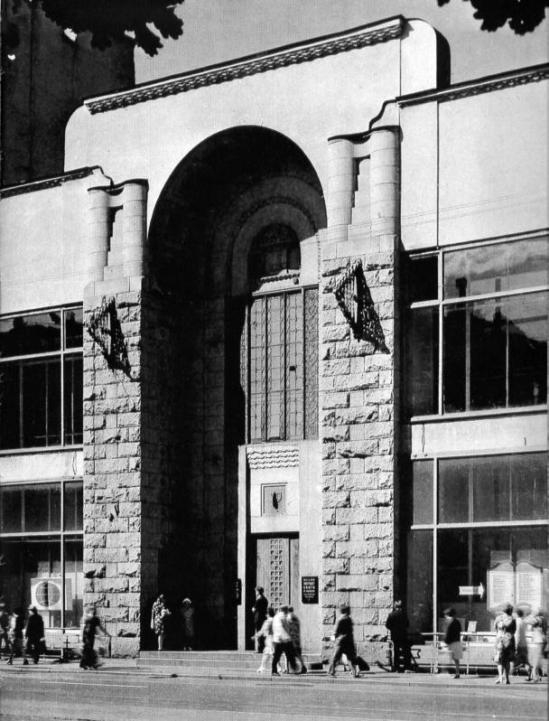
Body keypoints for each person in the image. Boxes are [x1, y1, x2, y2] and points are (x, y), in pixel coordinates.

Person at [328, 603, 359, 678]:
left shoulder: (340, 619)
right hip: (348, 641)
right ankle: (354, 672)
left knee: (336, 657)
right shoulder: (349, 619)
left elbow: (336, 631)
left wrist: (332, 638)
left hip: (341, 641)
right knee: (350, 657)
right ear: (346, 611)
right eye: (349, 610)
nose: (350, 611)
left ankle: (331, 671)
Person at [271, 605, 297, 676]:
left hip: (279, 639)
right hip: (281, 640)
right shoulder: (281, 617)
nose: (287, 611)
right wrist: (287, 637)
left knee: (278, 656)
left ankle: (278, 670)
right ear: (285, 610)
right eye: (287, 610)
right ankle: (277, 670)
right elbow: (281, 628)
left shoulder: (278, 617)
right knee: (282, 655)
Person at [385, 600, 410, 672]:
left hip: (395, 636)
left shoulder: (391, 615)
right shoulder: (404, 614)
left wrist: (393, 629)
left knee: (396, 651)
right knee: (405, 651)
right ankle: (406, 667)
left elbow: (387, 625)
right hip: (403, 635)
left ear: (395, 607)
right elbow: (407, 624)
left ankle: (397, 667)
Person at [494, 603, 516, 685]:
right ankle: (506, 678)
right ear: (510, 611)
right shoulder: (513, 619)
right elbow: (514, 630)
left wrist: (500, 633)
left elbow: (495, 628)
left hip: (499, 640)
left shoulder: (498, 618)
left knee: (499, 660)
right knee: (507, 660)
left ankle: (500, 677)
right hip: (509, 640)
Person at [527, 609, 547, 683]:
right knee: (537, 658)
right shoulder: (543, 619)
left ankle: (535, 677)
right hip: (542, 640)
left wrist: (531, 616)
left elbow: (528, 622)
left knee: (535, 660)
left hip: (538, 640)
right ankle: (538, 675)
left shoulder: (537, 619)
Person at [443, 608, 462, 679]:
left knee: (451, 658)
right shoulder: (457, 621)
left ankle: (450, 672)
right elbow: (459, 631)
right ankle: (457, 672)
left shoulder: (450, 622)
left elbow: (448, 633)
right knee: (455, 659)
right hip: (456, 642)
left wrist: (446, 641)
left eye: (446, 615)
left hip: (452, 642)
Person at [287, 606, 307, 673]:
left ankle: (288, 669)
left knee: (289, 653)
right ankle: (303, 666)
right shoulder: (296, 617)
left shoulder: (289, 617)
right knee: (298, 654)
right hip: (296, 638)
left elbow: (289, 628)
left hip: (291, 639)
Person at [256, 607, 275, 674]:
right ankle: (262, 668)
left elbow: (263, 630)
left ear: (267, 614)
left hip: (269, 638)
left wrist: (256, 635)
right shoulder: (275, 620)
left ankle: (278, 669)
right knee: (268, 653)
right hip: (274, 638)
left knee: (271, 653)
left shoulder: (268, 621)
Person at [513, 608, 531, 680]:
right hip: (524, 643)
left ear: (516, 614)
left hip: (517, 642)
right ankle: (530, 676)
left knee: (513, 659)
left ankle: (507, 674)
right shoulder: (524, 622)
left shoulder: (515, 621)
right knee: (526, 660)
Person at [252, 587, 269, 653]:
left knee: (259, 632)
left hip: (258, 618)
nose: (255, 593)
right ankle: (263, 647)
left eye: (256, 591)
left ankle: (260, 648)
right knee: (263, 632)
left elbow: (254, 609)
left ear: (258, 592)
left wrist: (253, 609)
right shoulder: (265, 599)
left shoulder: (258, 600)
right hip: (263, 617)